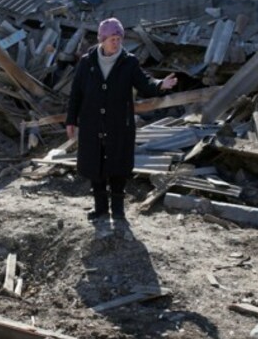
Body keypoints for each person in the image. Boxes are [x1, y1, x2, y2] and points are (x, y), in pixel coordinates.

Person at [66, 17, 177, 221]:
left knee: (118, 166)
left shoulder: (129, 62)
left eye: (118, 38)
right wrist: (71, 120)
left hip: (119, 124)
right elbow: (76, 93)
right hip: (92, 123)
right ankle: (100, 209)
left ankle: (118, 210)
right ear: (102, 39)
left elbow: (145, 83)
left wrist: (160, 84)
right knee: (95, 165)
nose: (116, 43)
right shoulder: (87, 62)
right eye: (112, 39)